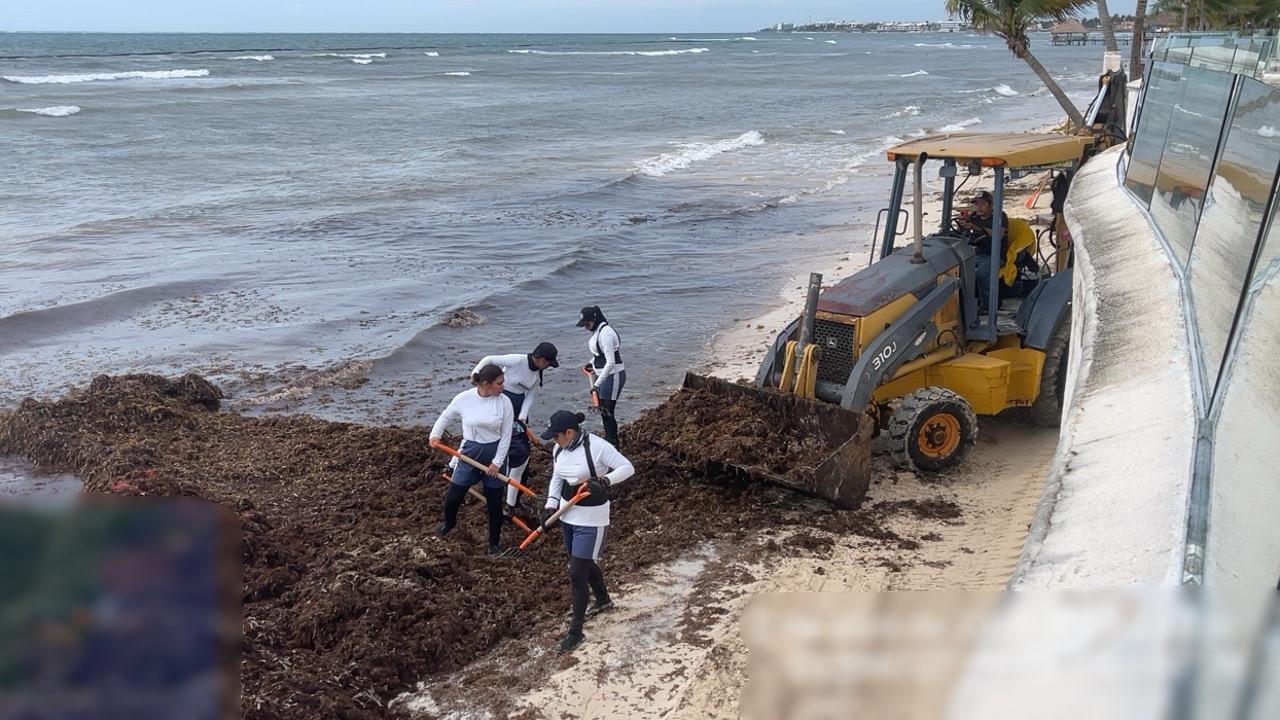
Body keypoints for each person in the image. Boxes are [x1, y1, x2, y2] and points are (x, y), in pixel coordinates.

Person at [540, 409, 634, 653]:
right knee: (582, 561)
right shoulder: (558, 449)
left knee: (576, 574)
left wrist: (604, 481)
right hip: (567, 514)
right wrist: (550, 505)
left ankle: (575, 631)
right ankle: (603, 600)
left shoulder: (598, 447)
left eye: (556, 435)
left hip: (592, 518)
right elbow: (556, 478)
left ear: (569, 432)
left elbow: (627, 467)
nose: (553, 440)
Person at [429, 364, 514, 555]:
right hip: (470, 452)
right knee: (454, 497)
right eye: (499, 383)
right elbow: (445, 417)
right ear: (486, 384)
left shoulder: (504, 402)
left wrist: (497, 463)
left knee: (494, 504)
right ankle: (448, 524)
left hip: (495, 453)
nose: (503, 386)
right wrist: (435, 436)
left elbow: (507, 435)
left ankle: (494, 543)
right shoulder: (464, 399)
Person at [471, 342, 560, 514]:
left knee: (521, 455)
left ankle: (513, 502)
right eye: (548, 362)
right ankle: (460, 466)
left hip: (517, 409)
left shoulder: (537, 373)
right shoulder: (517, 360)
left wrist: (522, 418)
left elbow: (530, 396)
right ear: (540, 359)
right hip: (500, 402)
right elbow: (489, 359)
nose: (548, 366)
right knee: (487, 438)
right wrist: (476, 375)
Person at [577, 306, 625, 445]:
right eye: (584, 325)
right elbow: (599, 356)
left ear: (595, 319)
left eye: (587, 324)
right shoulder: (597, 332)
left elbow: (610, 362)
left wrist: (597, 385)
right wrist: (591, 363)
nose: (586, 327)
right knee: (604, 412)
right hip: (603, 376)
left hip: (614, 376)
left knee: (607, 412)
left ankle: (613, 442)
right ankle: (610, 439)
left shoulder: (606, 334)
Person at [957, 190, 1010, 312]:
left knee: (980, 273)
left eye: (982, 204)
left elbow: (999, 234)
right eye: (976, 204)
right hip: (976, 253)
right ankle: (966, 303)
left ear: (990, 205)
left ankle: (989, 306)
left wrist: (978, 228)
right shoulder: (974, 216)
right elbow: (963, 233)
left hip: (994, 255)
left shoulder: (1000, 216)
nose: (979, 207)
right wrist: (961, 225)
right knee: (958, 270)